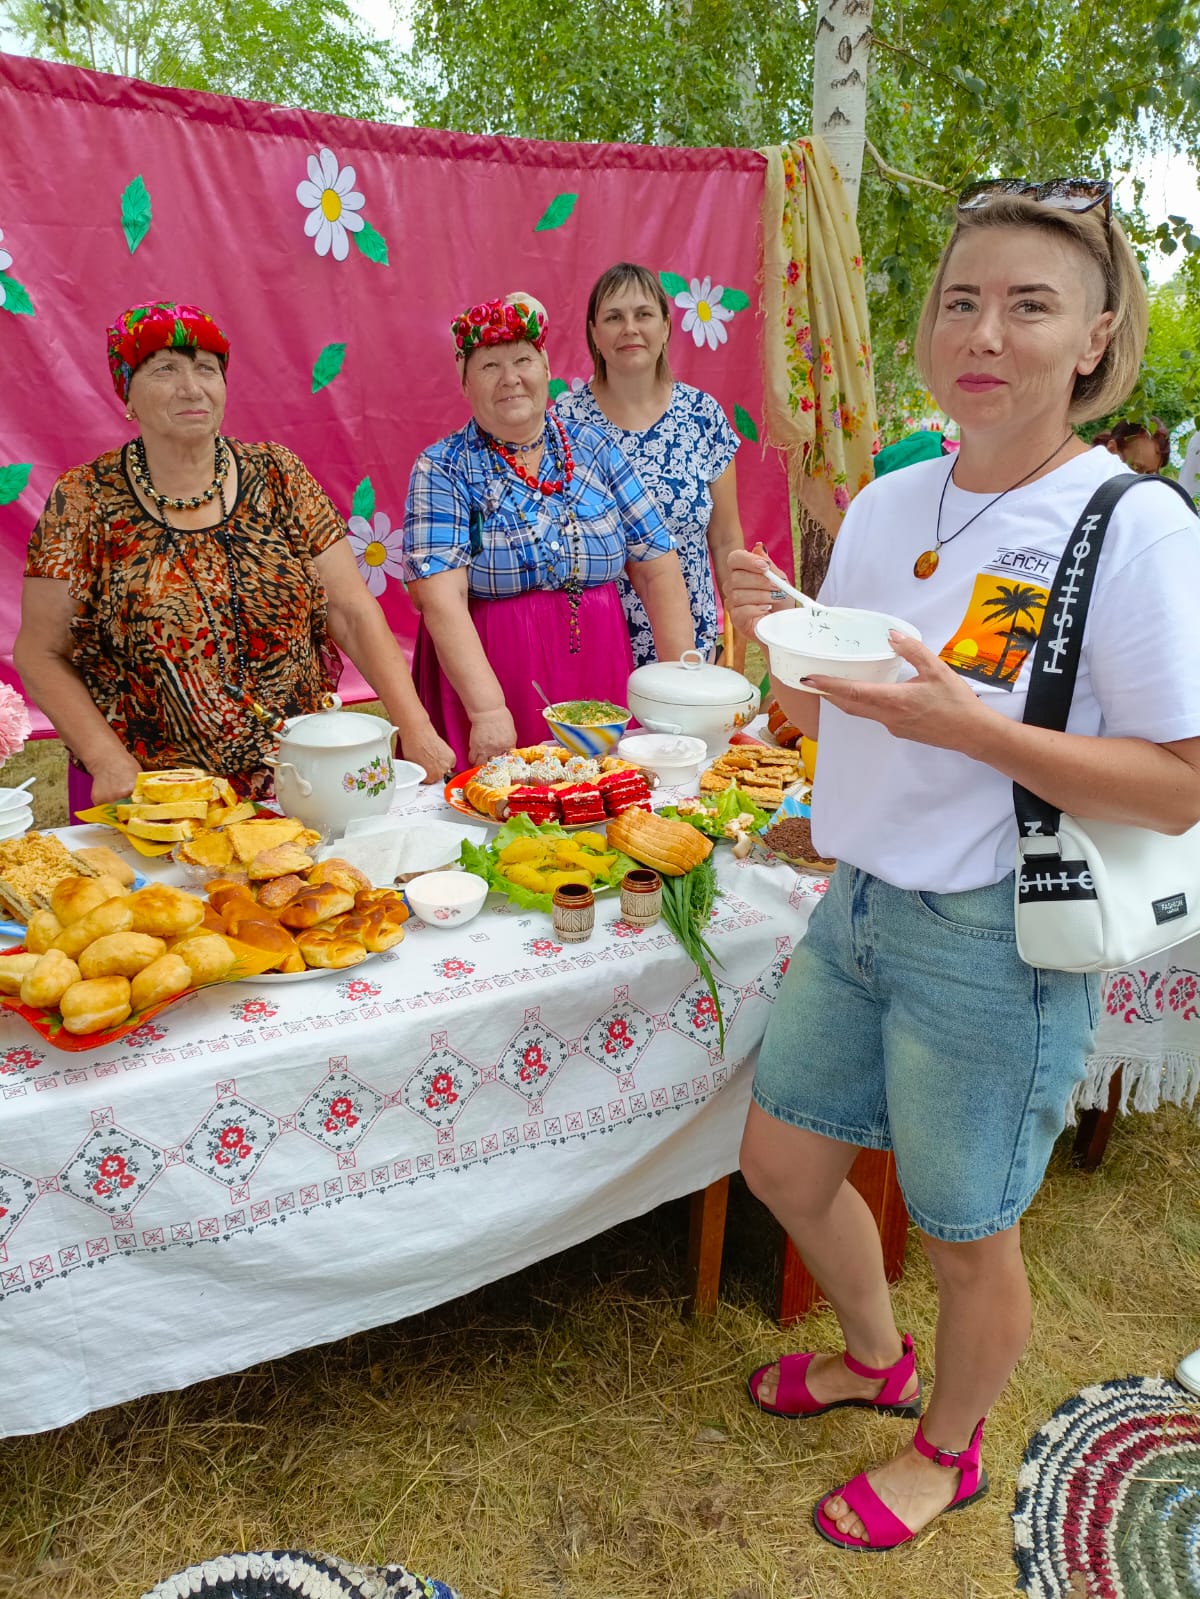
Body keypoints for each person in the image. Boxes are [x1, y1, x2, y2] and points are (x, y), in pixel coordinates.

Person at [727, 178, 1200, 1553]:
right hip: (860, 902)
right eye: (961, 301)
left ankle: (950, 1444)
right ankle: (876, 1357)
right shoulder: (888, 501)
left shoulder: (1132, 525)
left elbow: (1183, 781)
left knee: (964, 1229)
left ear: (1096, 338)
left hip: (996, 935)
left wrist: (973, 727)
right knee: (782, 1165)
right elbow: (824, 710)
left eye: (1029, 305)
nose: (984, 333)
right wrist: (783, 643)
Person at [15, 301, 454, 807]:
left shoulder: (278, 475)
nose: (191, 387)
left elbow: (351, 611)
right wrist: (106, 760)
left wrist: (415, 728)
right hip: (155, 795)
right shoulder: (85, 500)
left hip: (300, 779)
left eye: (206, 368)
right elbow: (39, 653)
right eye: (165, 369)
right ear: (127, 393)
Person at [401, 295, 694, 768]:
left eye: (523, 360)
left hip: (598, 672)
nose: (510, 378)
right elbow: (440, 599)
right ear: (465, 382)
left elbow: (657, 567)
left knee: (604, 796)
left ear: (546, 367)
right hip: (492, 686)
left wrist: (681, 688)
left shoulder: (594, 447)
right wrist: (488, 710)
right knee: (502, 802)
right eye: (489, 365)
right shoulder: (442, 468)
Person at [555, 262, 744, 666]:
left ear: (665, 326)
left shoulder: (702, 415)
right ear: (594, 333)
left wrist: (736, 648)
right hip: (593, 650)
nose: (630, 328)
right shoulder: (563, 425)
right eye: (614, 317)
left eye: (643, 314)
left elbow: (727, 540)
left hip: (689, 652)